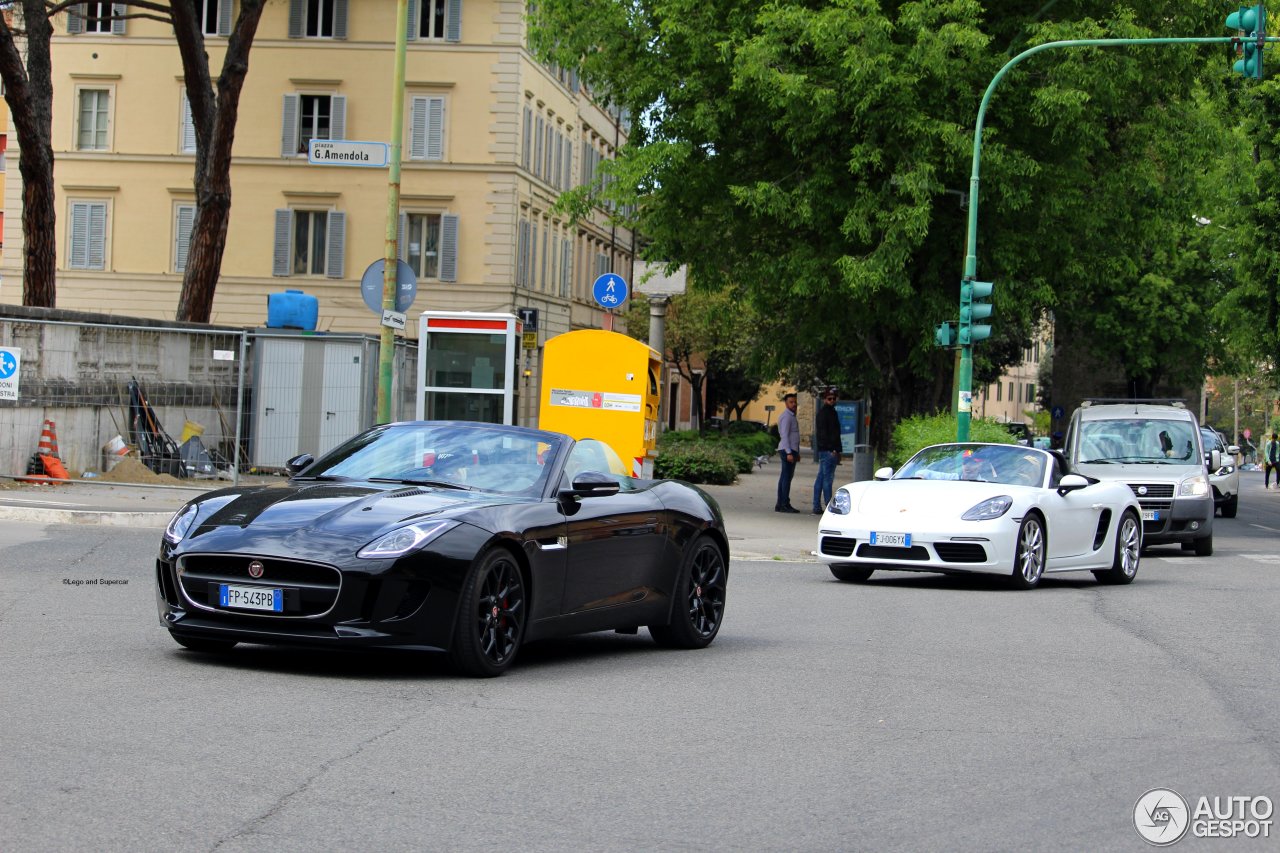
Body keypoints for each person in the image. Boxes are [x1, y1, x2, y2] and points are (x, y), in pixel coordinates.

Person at [812, 388, 842, 513]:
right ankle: (829, 505)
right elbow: (826, 434)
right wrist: (833, 449)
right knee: (827, 479)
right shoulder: (826, 413)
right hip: (829, 450)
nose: (832, 400)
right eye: (829, 398)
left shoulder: (828, 412)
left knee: (821, 478)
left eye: (834, 398)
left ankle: (816, 506)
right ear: (825, 399)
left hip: (826, 450)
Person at [774, 393, 801, 513]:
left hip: (791, 450)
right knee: (786, 478)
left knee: (785, 477)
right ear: (786, 403)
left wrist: (797, 452)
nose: (794, 404)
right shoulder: (786, 416)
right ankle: (784, 504)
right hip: (787, 450)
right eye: (791, 402)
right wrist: (789, 452)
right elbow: (784, 435)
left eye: (795, 402)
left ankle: (781, 504)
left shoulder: (791, 416)